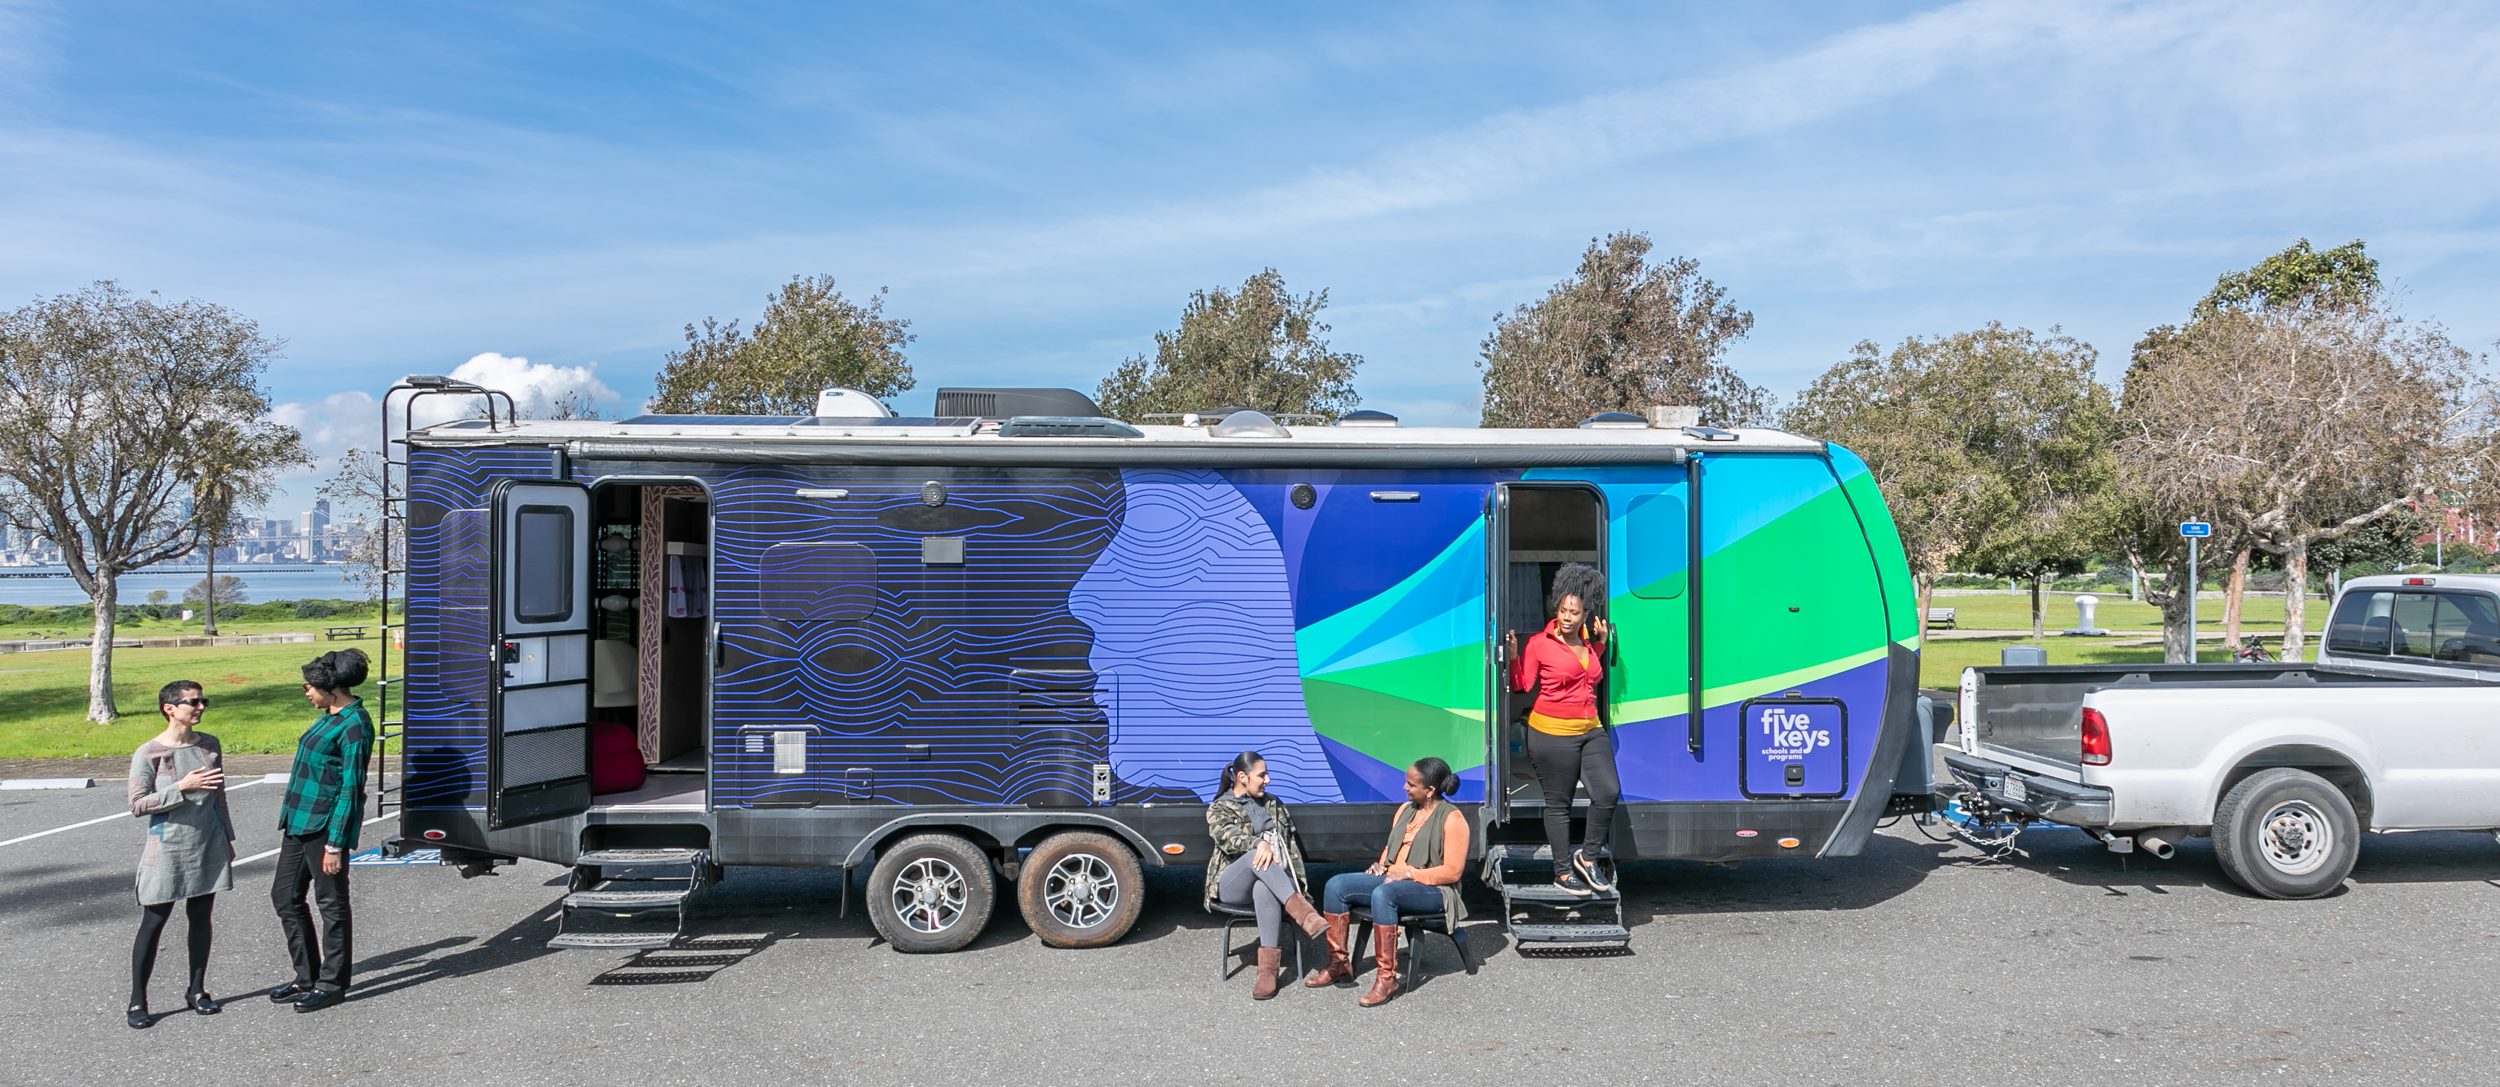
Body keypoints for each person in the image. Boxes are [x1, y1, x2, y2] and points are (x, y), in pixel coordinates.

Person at [1304, 757, 1470, 1008]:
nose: (1405, 787)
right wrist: (1382, 864)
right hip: (1393, 879)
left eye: (1412, 785)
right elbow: (1392, 848)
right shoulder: (1405, 810)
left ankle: (1386, 978)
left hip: (1434, 889)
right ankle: (1339, 962)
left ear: (1430, 790)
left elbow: (1453, 872)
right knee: (1336, 885)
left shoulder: (1453, 819)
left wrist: (1410, 874)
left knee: (1385, 895)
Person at [1504, 562, 1620, 897]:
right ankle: (1562, 871)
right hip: (1551, 733)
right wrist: (1513, 656)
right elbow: (1522, 684)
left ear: (1585, 615)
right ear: (1556, 610)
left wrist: (1599, 643)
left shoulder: (1587, 643)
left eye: (1575, 612)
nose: (1567, 617)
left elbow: (1588, 672)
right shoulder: (1540, 643)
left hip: (1591, 729)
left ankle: (1587, 856)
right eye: (1563, 610)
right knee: (1560, 804)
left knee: (1607, 792)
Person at [269, 648, 374, 1013]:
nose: (306, 692)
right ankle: (306, 976)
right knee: (285, 897)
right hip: (298, 821)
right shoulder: (329, 716)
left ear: (334, 689)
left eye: (311, 687)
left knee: (331, 905)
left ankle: (331, 984)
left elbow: (350, 788)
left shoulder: (355, 724)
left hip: (324, 828)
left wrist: (335, 844)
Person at [125, 680, 234, 1029]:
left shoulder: (210, 745)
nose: (200, 707)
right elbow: (138, 804)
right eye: (193, 702)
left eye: (203, 701)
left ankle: (197, 990)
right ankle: (137, 1001)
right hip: (168, 846)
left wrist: (228, 838)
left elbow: (220, 796)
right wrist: (179, 788)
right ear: (170, 708)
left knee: (201, 917)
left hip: (208, 843)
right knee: (154, 922)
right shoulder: (149, 753)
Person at [1205, 752, 1329, 1000]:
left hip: (1273, 879)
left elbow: (1290, 848)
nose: (1268, 780)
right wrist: (1258, 843)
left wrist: (1300, 882)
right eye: (1262, 775)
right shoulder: (1219, 808)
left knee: (1264, 887)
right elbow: (1228, 840)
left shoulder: (1274, 804)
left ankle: (1268, 972)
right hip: (1233, 884)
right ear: (1242, 777)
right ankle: (1304, 914)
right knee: (1256, 856)